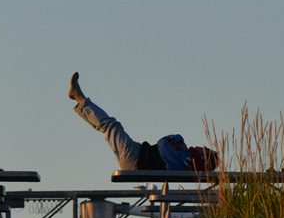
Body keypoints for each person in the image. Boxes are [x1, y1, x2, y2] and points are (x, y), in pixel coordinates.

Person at [68, 72, 206, 171]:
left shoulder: (184, 158)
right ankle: (80, 100)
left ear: (203, 157)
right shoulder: (185, 160)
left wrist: (177, 138)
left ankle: (79, 97)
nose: (203, 147)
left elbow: (163, 143)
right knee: (108, 127)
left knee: (111, 126)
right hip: (136, 157)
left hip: (135, 157)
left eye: (206, 150)